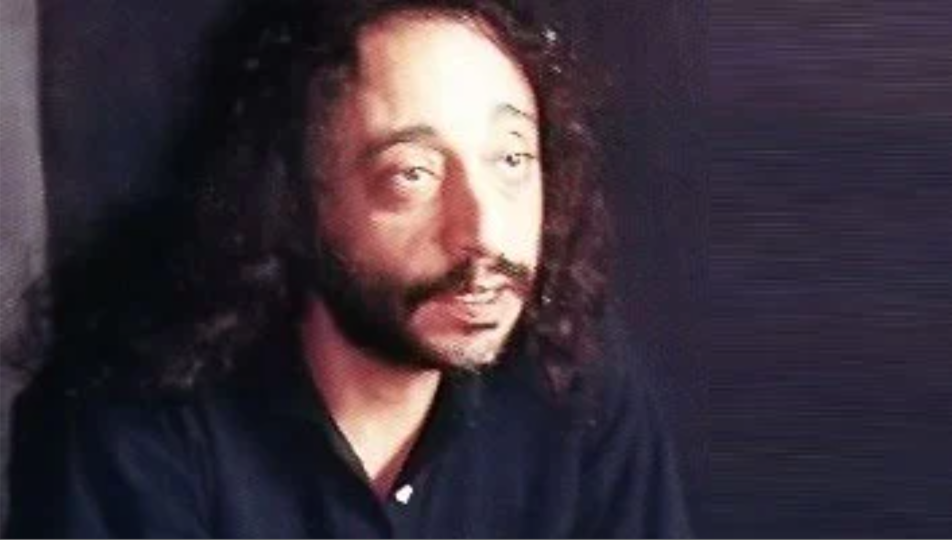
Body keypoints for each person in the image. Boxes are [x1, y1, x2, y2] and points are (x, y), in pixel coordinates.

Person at [5, 0, 690, 536]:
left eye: (511, 160)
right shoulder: (138, 424)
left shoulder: (577, 385)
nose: (483, 233)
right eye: (412, 175)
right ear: (298, 201)